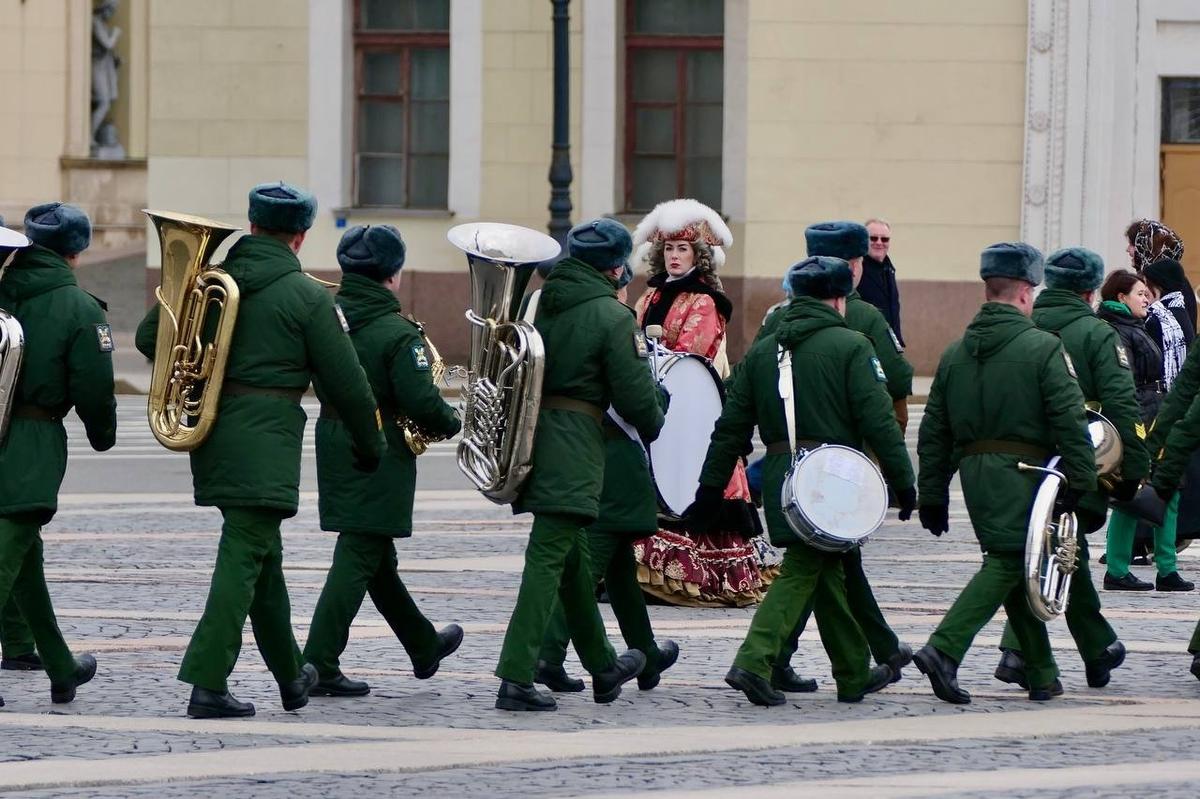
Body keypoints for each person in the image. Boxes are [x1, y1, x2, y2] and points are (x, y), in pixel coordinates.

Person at [135, 181, 385, 719]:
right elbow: (347, 384)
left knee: (262, 555)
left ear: (251, 226)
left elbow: (148, 339)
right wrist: (371, 444)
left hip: (212, 433)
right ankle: (207, 681)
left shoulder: (208, 279)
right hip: (267, 440)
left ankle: (292, 677)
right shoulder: (307, 296)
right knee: (244, 555)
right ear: (301, 236)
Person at [688, 256, 914, 706]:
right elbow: (879, 421)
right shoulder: (852, 345)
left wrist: (709, 489)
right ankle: (754, 661)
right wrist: (904, 482)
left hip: (781, 477)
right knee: (804, 568)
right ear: (838, 299)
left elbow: (730, 428)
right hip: (831, 476)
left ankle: (853, 673)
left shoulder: (762, 350)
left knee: (830, 568)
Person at [914, 242, 1097, 704]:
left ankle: (1041, 672)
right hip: (1026, 473)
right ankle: (944, 649)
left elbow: (935, 430)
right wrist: (1082, 479)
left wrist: (932, 492)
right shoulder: (1043, 347)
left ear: (989, 290)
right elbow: (1069, 419)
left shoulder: (955, 353)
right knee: (1007, 563)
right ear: (1025, 293)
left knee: (1016, 565)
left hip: (976, 475)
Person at [494, 218, 664, 712]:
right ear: (614, 269)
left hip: (530, 439)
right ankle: (516, 676)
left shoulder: (536, 303)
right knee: (547, 560)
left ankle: (603, 666)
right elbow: (636, 400)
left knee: (570, 560)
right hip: (574, 445)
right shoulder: (612, 317)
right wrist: (658, 414)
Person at [302, 225, 464, 698]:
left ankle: (423, 644)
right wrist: (451, 421)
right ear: (393, 275)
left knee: (376, 555)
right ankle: (319, 661)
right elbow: (420, 400)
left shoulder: (326, 320)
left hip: (333, 436)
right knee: (359, 552)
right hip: (381, 444)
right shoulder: (397, 332)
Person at [766, 221, 915, 694]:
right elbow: (899, 379)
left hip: (786, 455)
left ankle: (879, 649)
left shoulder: (777, 315)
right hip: (844, 457)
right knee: (825, 560)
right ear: (853, 266)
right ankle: (771, 657)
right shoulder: (864, 316)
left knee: (834, 561)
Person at [992, 248, 1145, 691]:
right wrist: (1133, 469)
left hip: (1020, 458)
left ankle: (1094, 648)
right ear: (1091, 291)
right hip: (1077, 457)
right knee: (1060, 546)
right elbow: (1121, 403)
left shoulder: (1023, 326)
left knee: (1059, 547)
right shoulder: (1096, 333)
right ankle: (1022, 650)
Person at [534, 261, 680, 695]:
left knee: (619, 568)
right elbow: (635, 401)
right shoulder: (613, 323)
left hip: (580, 449)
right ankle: (547, 654)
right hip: (612, 459)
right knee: (586, 568)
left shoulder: (554, 316)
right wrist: (661, 395)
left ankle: (645, 655)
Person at [0, 204, 116, 707]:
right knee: (8, 552)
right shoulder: (79, 307)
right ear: (77, 251)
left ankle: (60, 665)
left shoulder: (4, 287)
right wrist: (102, 433)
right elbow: (94, 386)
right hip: (33, 439)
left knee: (25, 558)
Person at [628, 198, 770, 608]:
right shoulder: (650, 296)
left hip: (692, 406)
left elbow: (694, 354)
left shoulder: (704, 300)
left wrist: (657, 357)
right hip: (653, 401)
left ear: (698, 255)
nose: (674, 256)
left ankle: (695, 572)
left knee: (689, 478)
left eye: (683, 249)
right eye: (669, 249)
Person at [1097, 271, 1192, 591]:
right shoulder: (1117, 331)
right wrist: (1138, 426)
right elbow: (1124, 385)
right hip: (1139, 419)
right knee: (1131, 495)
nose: (1146, 298)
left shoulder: (1136, 326)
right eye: (1140, 293)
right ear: (1121, 297)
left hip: (1156, 413)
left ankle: (1166, 568)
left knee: (1168, 490)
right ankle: (1118, 568)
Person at [858, 217, 904, 345]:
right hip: (868, 344)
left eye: (884, 239)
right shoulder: (857, 269)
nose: (879, 243)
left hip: (890, 344)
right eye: (873, 238)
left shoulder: (889, 269)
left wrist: (898, 342)